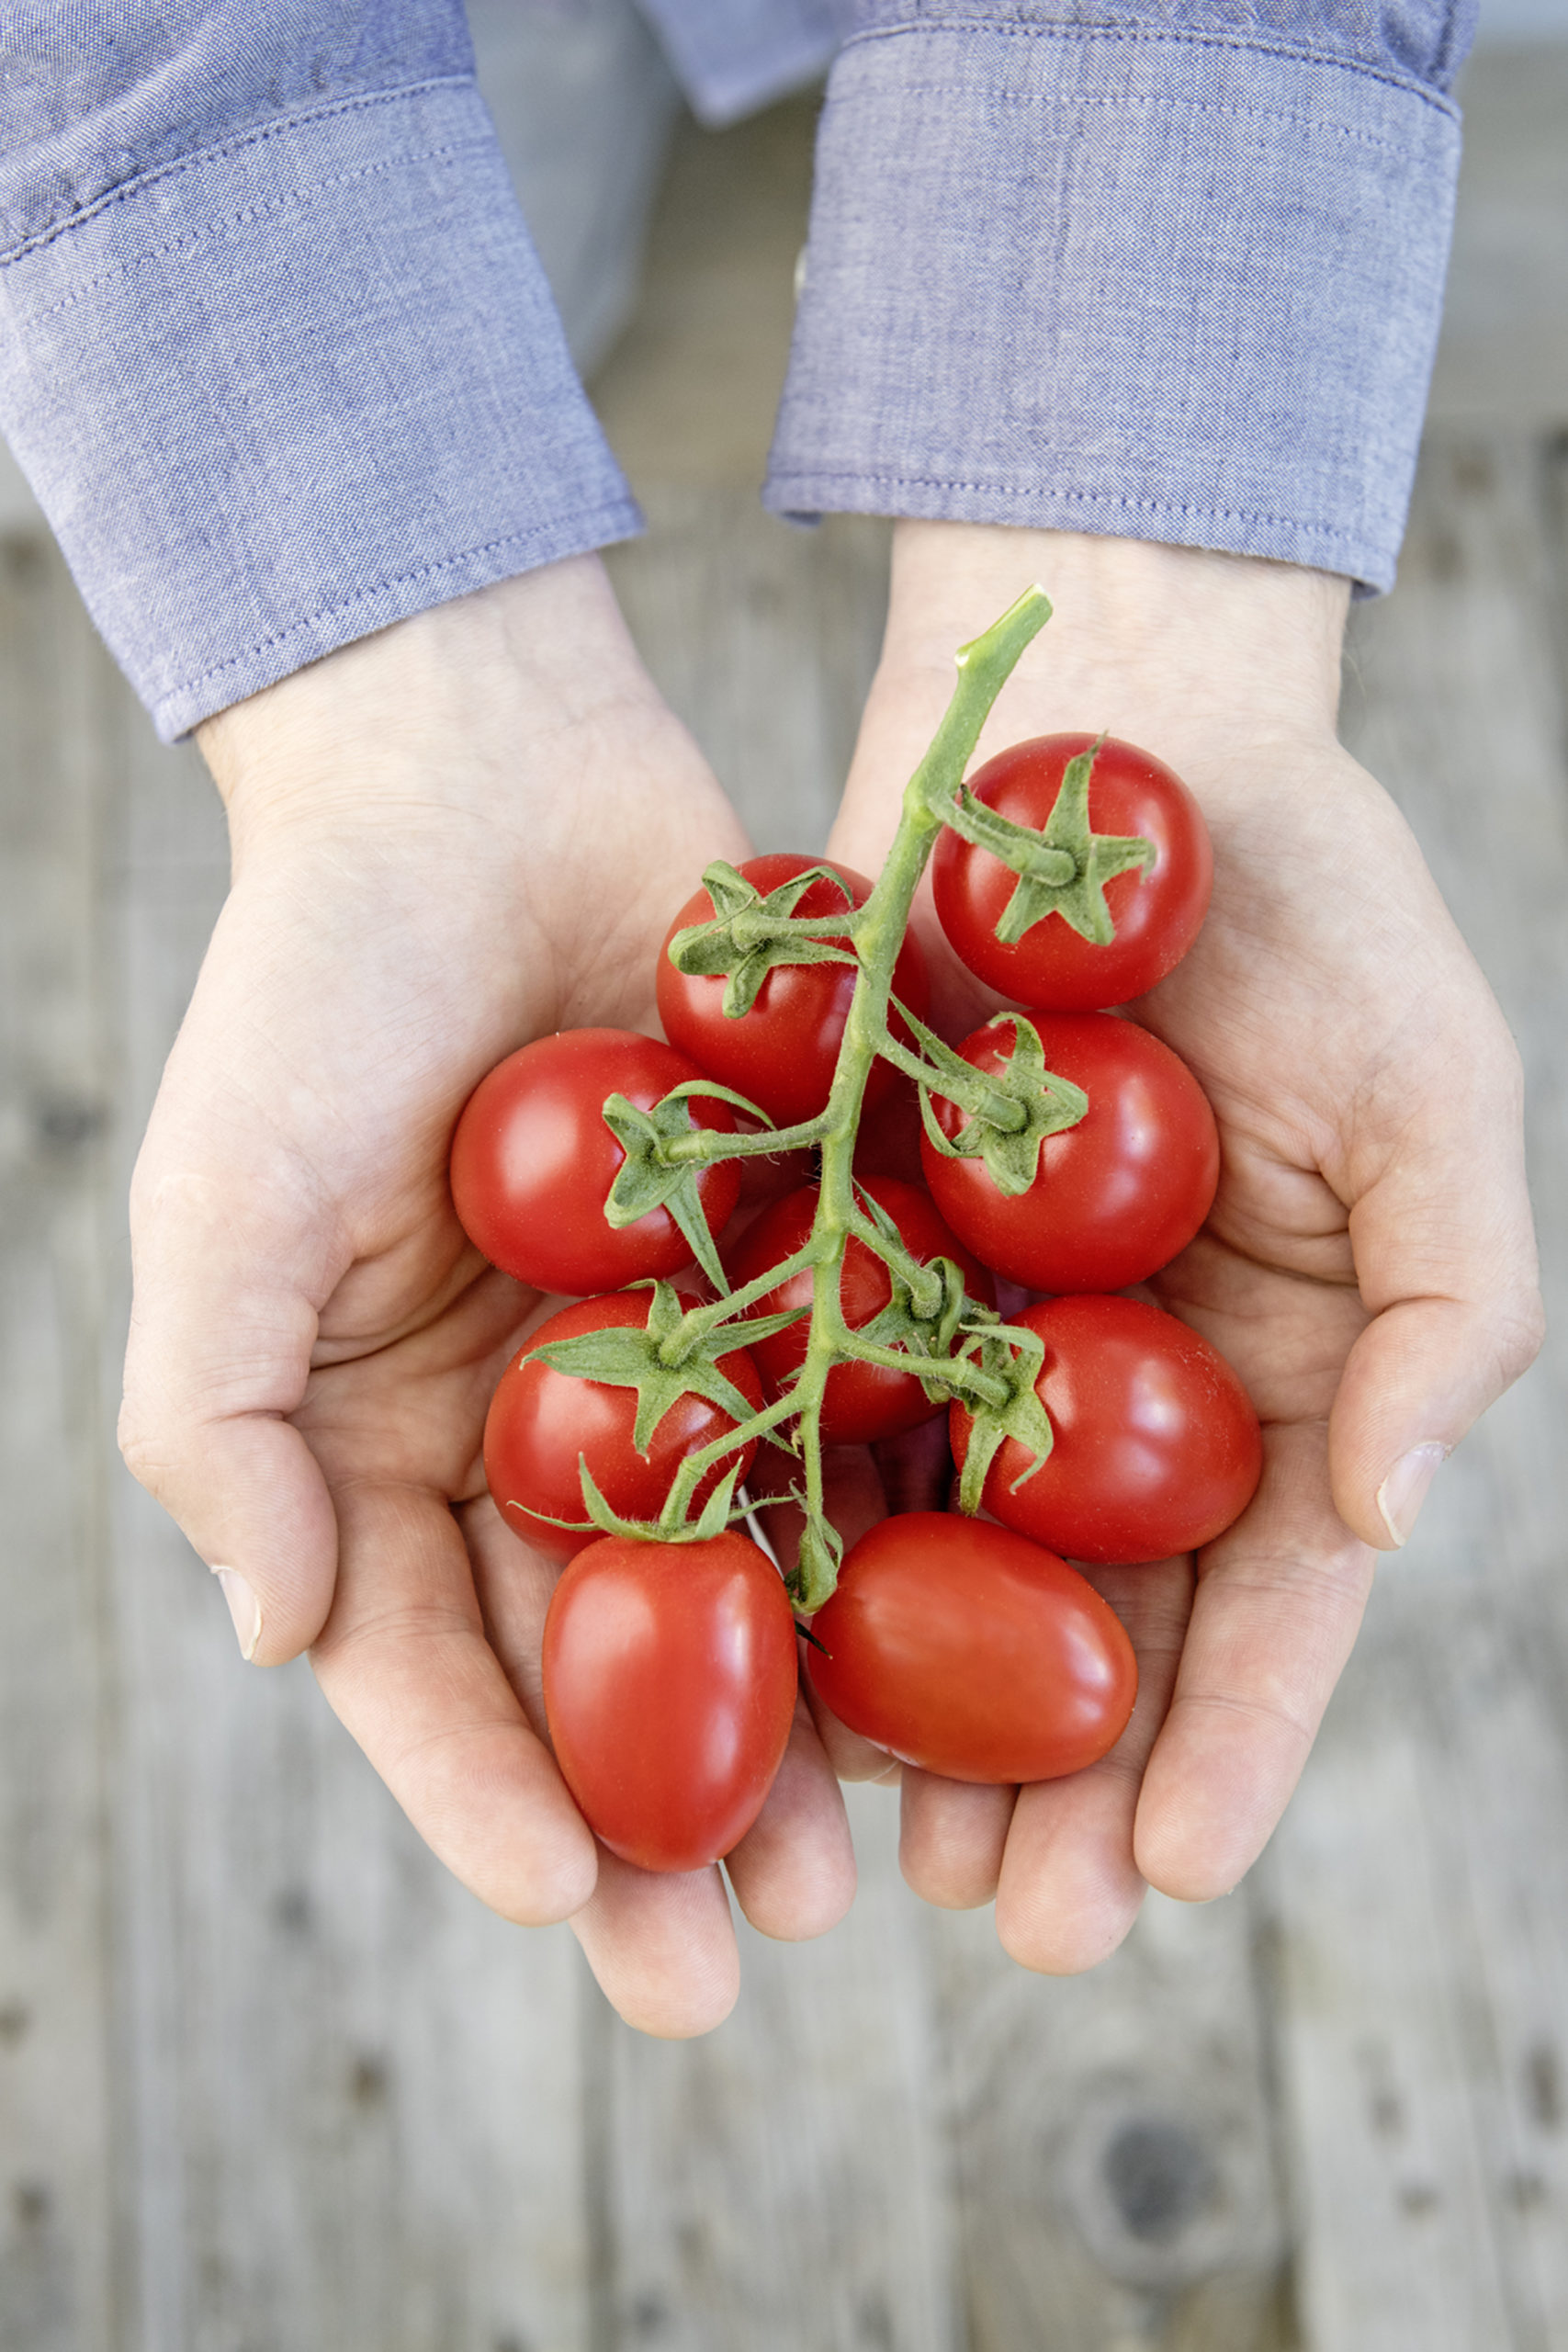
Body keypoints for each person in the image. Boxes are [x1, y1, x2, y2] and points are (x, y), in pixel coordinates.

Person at [0, 0, 1540, 2039]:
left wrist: (1127, 485)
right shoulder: (854, 1255)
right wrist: (378, 658)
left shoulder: (757, 1306)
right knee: (540, 210)